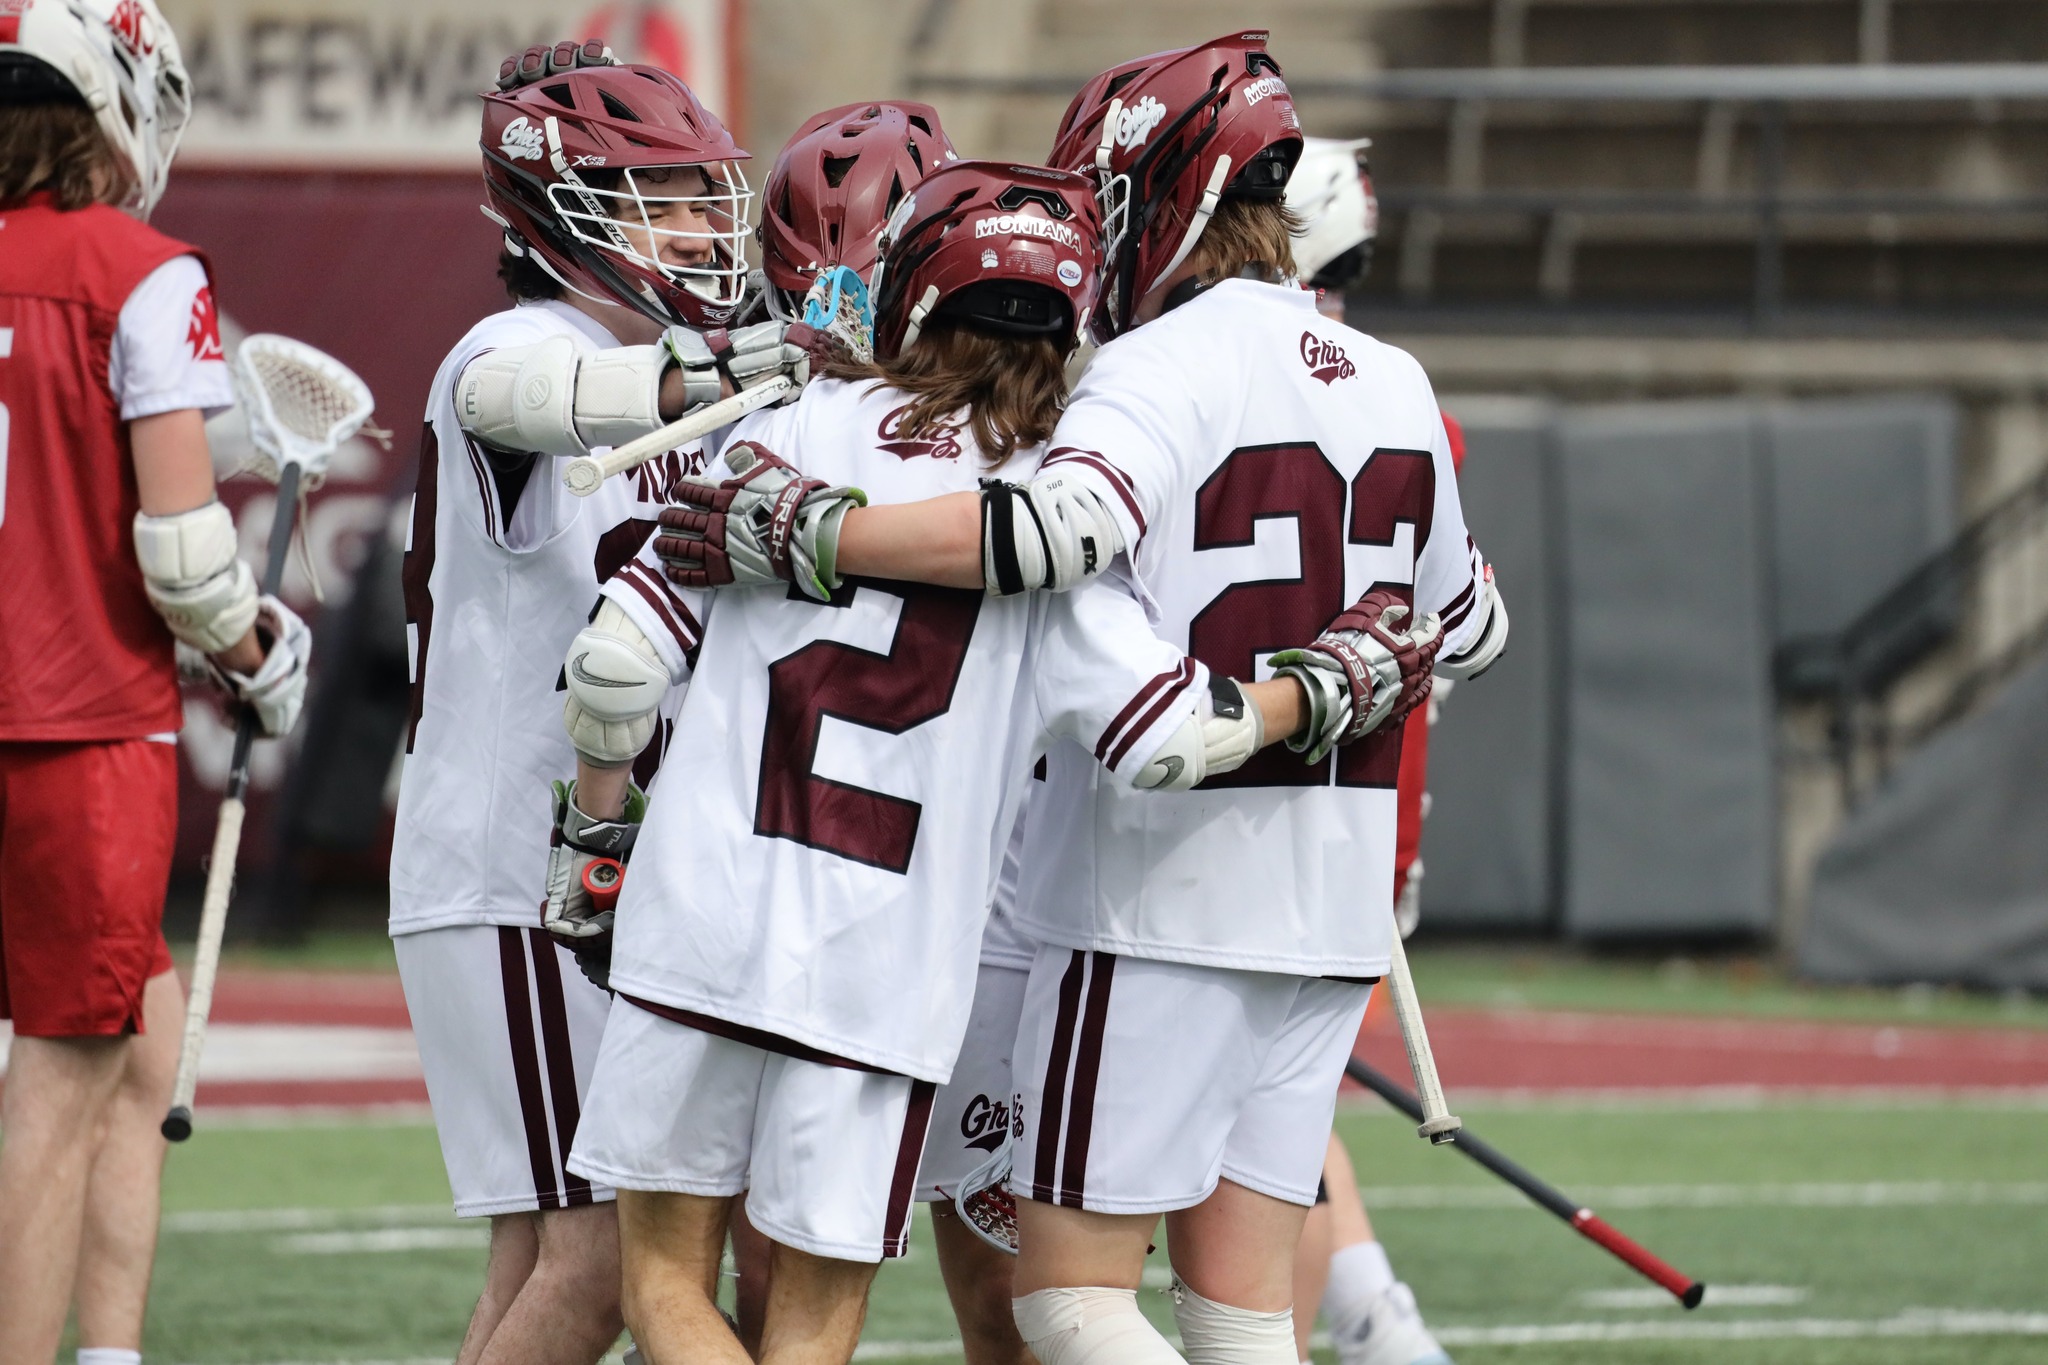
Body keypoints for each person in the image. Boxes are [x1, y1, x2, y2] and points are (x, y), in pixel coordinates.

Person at [656, 31, 1506, 1365]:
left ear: (1161, 188)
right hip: (1332, 898)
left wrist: (816, 531)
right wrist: (1334, 675)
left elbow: (1054, 534)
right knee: (1238, 1317)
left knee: (1068, 1301)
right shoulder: (1395, 377)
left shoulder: (1149, 370)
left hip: (1157, 898)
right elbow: (1470, 627)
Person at [546, 156, 1375, 1365]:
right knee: (813, 1324)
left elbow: (614, 671)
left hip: (703, 918)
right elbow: (1165, 739)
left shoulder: (785, 428)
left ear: (911, 286)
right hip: (887, 973)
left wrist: (594, 835)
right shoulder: (1053, 521)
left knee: (663, 1284)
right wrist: (1323, 687)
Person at [389, 41, 808, 1365]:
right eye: (660, 197)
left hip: (593, 859)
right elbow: (546, 402)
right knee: (601, 1256)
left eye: (702, 195)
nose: (698, 227)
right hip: (517, 860)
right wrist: (759, 363)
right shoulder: (514, 348)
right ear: (557, 209)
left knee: (544, 1256)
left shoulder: (681, 378)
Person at [0, 3, 312, 1362]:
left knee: (141, 1041)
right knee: (59, 1081)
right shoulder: (137, 270)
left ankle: (111, 1352)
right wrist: (255, 652)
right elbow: (184, 557)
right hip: (74, 730)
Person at [1283, 134, 1454, 1365]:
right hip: (1357, 798)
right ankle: (1375, 1318)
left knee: (1259, 1133)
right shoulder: (1393, 390)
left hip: (1279, 795)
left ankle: (1334, 1326)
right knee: (1280, 1117)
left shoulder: (1225, 383)